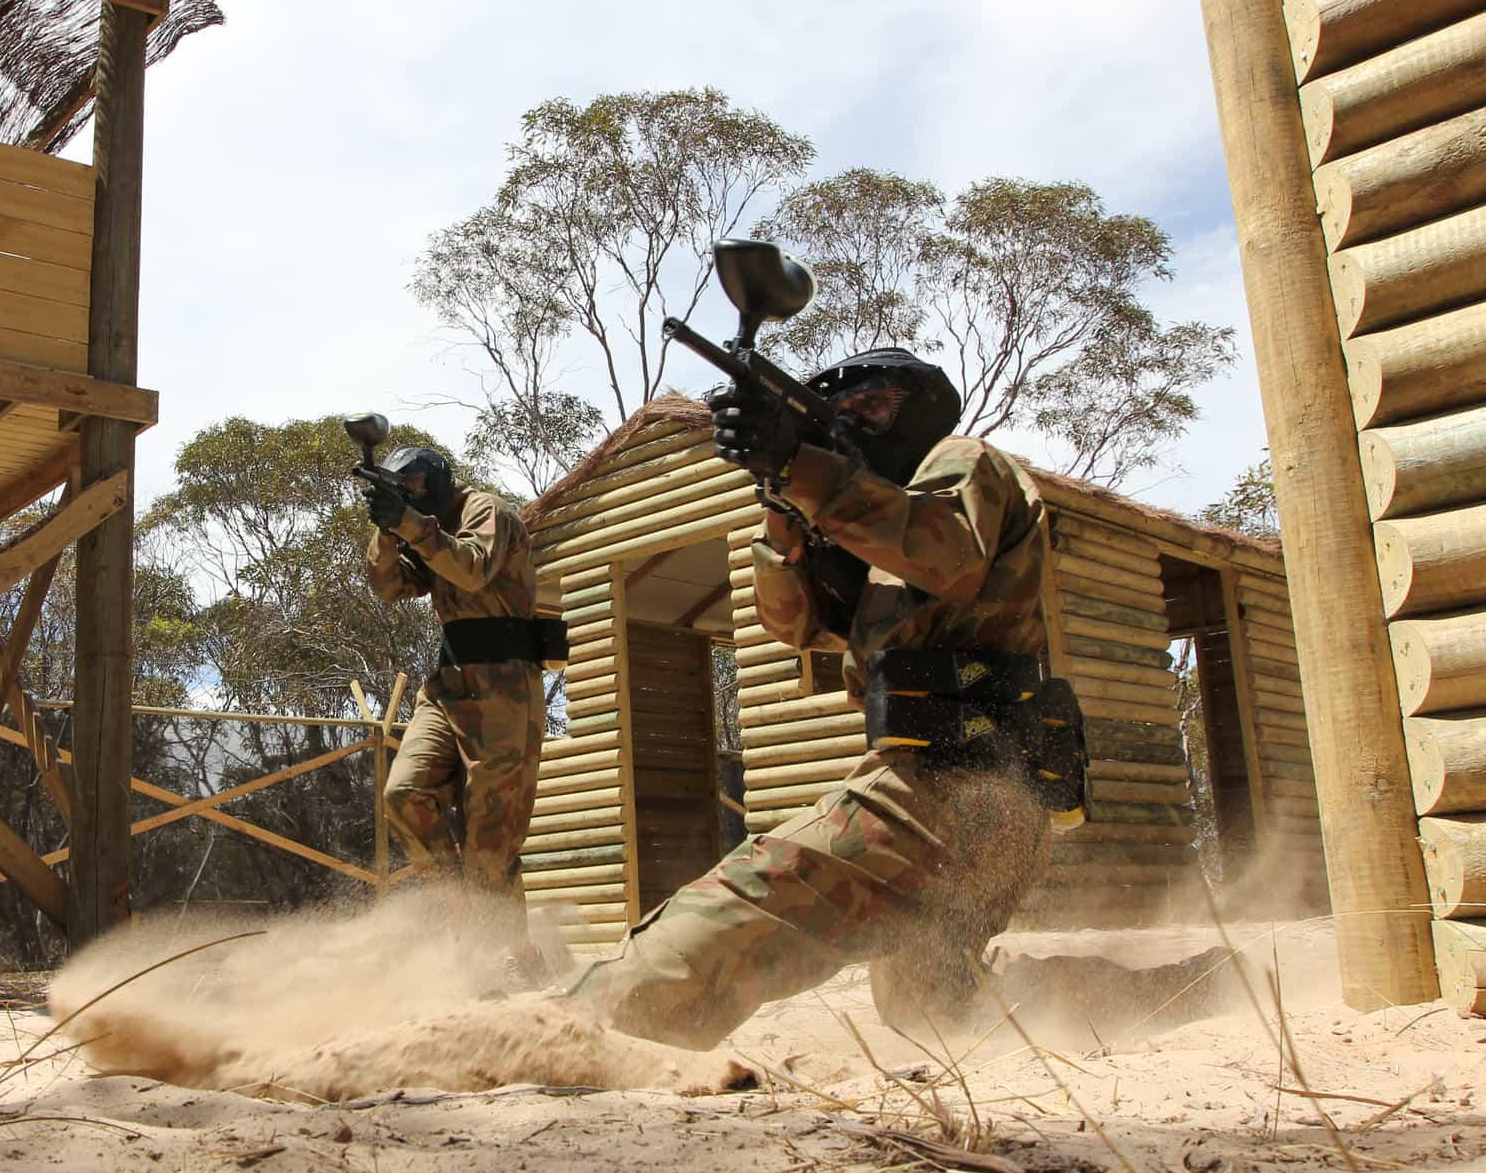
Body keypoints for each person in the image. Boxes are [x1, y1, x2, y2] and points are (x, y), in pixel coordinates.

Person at [569, 346, 1083, 1048]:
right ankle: (1156, 991)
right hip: (980, 804)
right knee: (932, 1008)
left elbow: (947, 555)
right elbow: (794, 623)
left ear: (921, 409)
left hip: (945, 794)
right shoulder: (874, 533)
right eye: (838, 416)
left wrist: (809, 471)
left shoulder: (963, 461)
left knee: (714, 926)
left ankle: (569, 1032)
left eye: (870, 406)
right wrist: (782, 507)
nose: (853, 424)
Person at [364, 442, 550, 975]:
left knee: (489, 847)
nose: (412, 496)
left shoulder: (484, 511)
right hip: (447, 686)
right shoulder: (425, 529)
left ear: (439, 478)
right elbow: (388, 586)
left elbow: (470, 568)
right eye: (404, 492)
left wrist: (410, 524)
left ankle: (512, 958)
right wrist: (386, 527)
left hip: (504, 691)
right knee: (403, 795)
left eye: (415, 487)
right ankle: (470, 926)